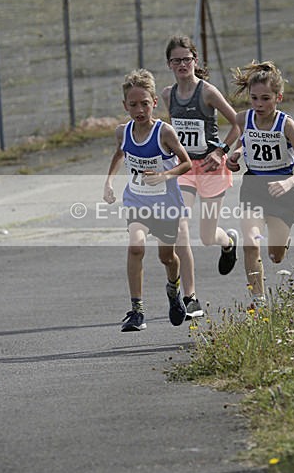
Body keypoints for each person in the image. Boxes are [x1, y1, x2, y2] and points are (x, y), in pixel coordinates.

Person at [103, 68, 192, 333]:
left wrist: (164, 175)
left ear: (154, 102)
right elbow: (120, 154)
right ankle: (137, 310)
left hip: (166, 202)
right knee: (136, 248)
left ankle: (173, 289)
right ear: (125, 106)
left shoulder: (164, 133)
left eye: (145, 103)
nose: (140, 110)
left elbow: (186, 164)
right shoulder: (123, 132)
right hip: (137, 200)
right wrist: (108, 182)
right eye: (133, 105)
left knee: (167, 256)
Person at [161, 34, 240, 319]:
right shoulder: (167, 95)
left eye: (187, 59)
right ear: (169, 64)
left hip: (210, 168)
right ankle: (190, 297)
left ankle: (228, 242)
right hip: (184, 169)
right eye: (176, 60)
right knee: (180, 228)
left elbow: (238, 123)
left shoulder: (207, 92)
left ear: (195, 61)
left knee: (207, 236)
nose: (182, 64)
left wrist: (221, 151)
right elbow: (172, 133)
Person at [226, 60, 294, 308]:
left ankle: (282, 242)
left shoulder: (286, 124)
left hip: (282, 189)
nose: (259, 104)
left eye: (265, 98)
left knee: (275, 256)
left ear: (278, 97)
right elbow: (245, 142)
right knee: (251, 242)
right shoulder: (244, 119)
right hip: (253, 186)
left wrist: (288, 183)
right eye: (254, 98)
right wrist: (234, 156)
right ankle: (259, 300)